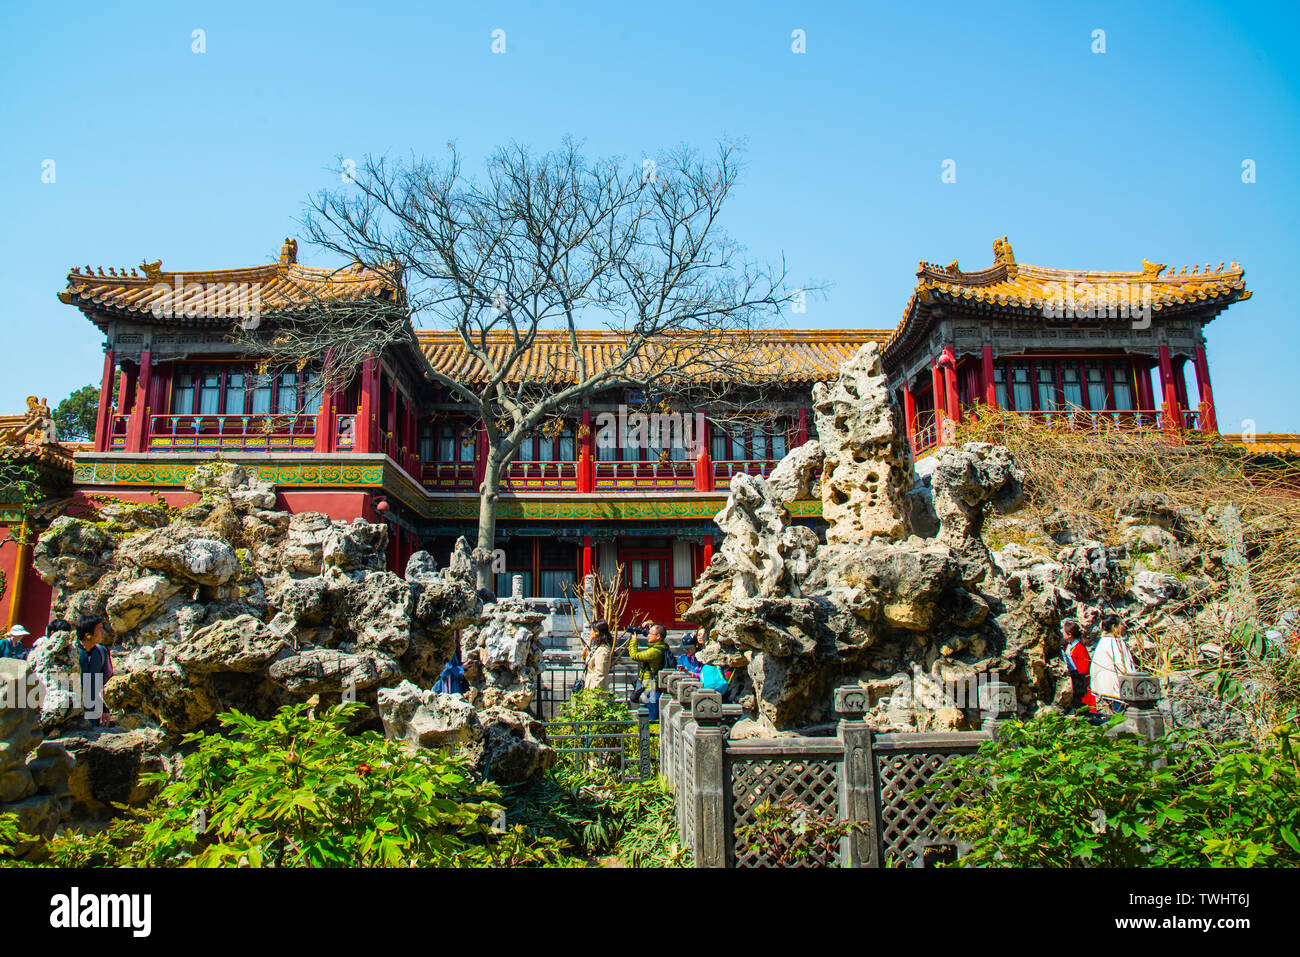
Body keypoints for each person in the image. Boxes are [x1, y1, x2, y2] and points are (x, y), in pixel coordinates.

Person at [1090, 614, 1137, 715]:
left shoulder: (1102, 643)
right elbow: (1122, 664)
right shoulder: (1115, 642)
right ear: (1114, 627)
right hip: (1118, 685)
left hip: (1106, 686)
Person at [76, 615, 113, 727]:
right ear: (88, 635)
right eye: (99, 629)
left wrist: (105, 709)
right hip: (75, 713)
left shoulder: (102, 652)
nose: (103, 632)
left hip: (94, 712)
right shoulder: (72, 653)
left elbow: (107, 683)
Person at [627, 622, 668, 720]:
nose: (648, 636)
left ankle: (652, 733)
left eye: (650, 634)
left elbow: (635, 655)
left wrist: (633, 641)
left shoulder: (655, 651)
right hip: (648, 685)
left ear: (658, 637)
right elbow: (658, 627)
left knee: (652, 717)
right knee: (646, 714)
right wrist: (649, 623)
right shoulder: (658, 646)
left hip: (652, 687)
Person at [1062, 619, 1095, 715]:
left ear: (1069, 635)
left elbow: (1084, 668)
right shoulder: (1070, 646)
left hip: (1081, 684)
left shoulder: (1079, 648)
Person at [582, 619, 614, 691]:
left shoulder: (602, 650)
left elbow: (600, 674)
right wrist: (589, 642)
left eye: (591, 630)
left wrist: (595, 693)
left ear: (597, 632)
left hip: (595, 689)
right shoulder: (597, 647)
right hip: (589, 686)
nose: (590, 632)